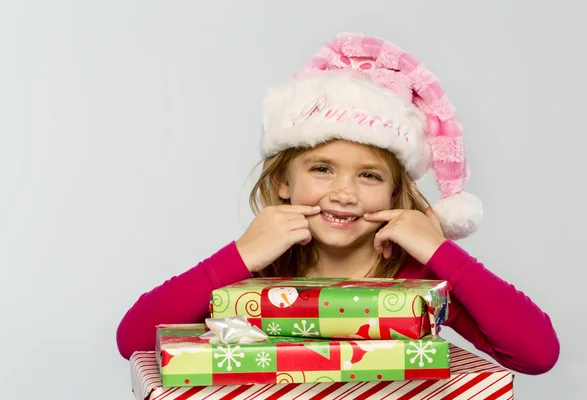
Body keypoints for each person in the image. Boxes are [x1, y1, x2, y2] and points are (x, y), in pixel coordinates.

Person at [116, 32, 559, 374]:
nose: (344, 193)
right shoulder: (256, 273)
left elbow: (537, 354)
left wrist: (440, 252)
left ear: (393, 193)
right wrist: (241, 255)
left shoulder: (418, 279)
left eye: (369, 175)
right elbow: (133, 340)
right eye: (321, 169)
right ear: (283, 181)